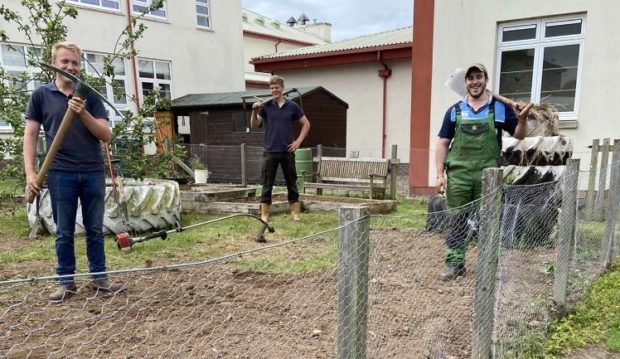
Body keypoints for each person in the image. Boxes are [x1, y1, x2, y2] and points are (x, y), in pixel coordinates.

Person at [24, 41, 123, 301]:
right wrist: (30, 173)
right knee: (64, 231)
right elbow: (31, 135)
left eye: (75, 63)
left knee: (94, 229)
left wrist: (83, 113)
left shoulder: (89, 95)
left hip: (91, 171)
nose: (70, 66)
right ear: (54, 64)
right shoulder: (41, 96)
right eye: (65, 61)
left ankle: (100, 279)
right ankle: (66, 282)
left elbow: (105, 135)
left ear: (80, 66)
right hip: (59, 172)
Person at [435, 63, 531, 280]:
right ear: (465, 83)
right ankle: (455, 264)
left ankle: (489, 264)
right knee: (456, 219)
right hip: (459, 175)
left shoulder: (500, 108)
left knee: (489, 218)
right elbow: (442, 143)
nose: (475, 81)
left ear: (486, 79)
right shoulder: (454, 111)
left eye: (479, 77)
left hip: (488, 175)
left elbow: (519, 135)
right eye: (470, 78)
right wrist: (440, 175)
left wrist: (522, 119)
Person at [251, 75, 311, 223]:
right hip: (270, 151)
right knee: (267, 183)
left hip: (287, 151)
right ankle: (264, 214)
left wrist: (298, 141)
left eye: (277, 87)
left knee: (291, 181)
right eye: (271, 88)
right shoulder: (265, 107)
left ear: (282, 88)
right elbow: (254, 125)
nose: (274, 90)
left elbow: (306, 124)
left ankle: (295, 212)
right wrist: (254, 111)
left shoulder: (292, 106)